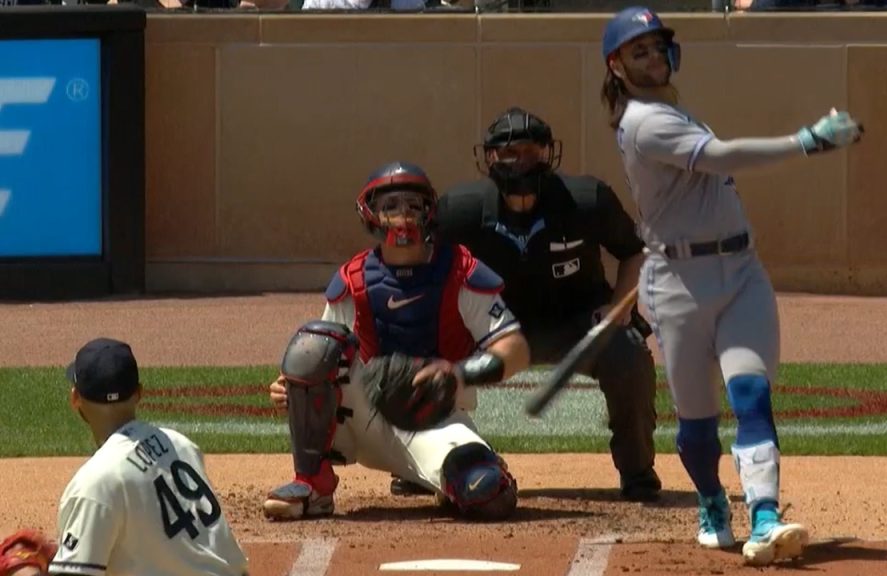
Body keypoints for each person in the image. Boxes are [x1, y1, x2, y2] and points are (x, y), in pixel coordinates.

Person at [599, 6, 863, 566]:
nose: (651, 57)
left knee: (751, 393)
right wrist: (806, 141)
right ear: (616, 66)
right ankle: (712, 500)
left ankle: (764, 514)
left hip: (741, 273)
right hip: (679, 288)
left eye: (656, 46)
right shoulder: (645, 121)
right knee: (696, 425)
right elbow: (720, 157)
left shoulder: (672, 111)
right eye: (636, 51)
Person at [263, 161, 530, 522]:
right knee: (314, 343)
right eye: (390, 206)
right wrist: (290, 388)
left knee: (487, 495)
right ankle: (313, 485)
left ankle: (451, 475)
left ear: (429, 212)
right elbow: (320, 356)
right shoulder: (353, 279)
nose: (402, 215)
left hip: (435, 416)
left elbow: (514, 350)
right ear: (370, 214)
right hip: (364, 418)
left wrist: (459, 373)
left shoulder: (460, 270)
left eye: (412, 205)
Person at [435, 107, 662, 502]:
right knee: (421, 350)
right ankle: (427, 459)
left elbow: (633, 251)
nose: (519, 160)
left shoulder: (586, 199)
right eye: (508, 152)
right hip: (492, 330)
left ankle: (638, 470)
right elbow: (428, 268)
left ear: (547, 154)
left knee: (627, 351)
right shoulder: (460, 210)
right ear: (489, 158)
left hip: (577, 325)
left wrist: (617, 309)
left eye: (529, 150)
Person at [0, 338, 249, 576]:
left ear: (75, 397)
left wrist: (28, 571)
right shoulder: (179, 444)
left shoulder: (95, 482)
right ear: (139, 393)